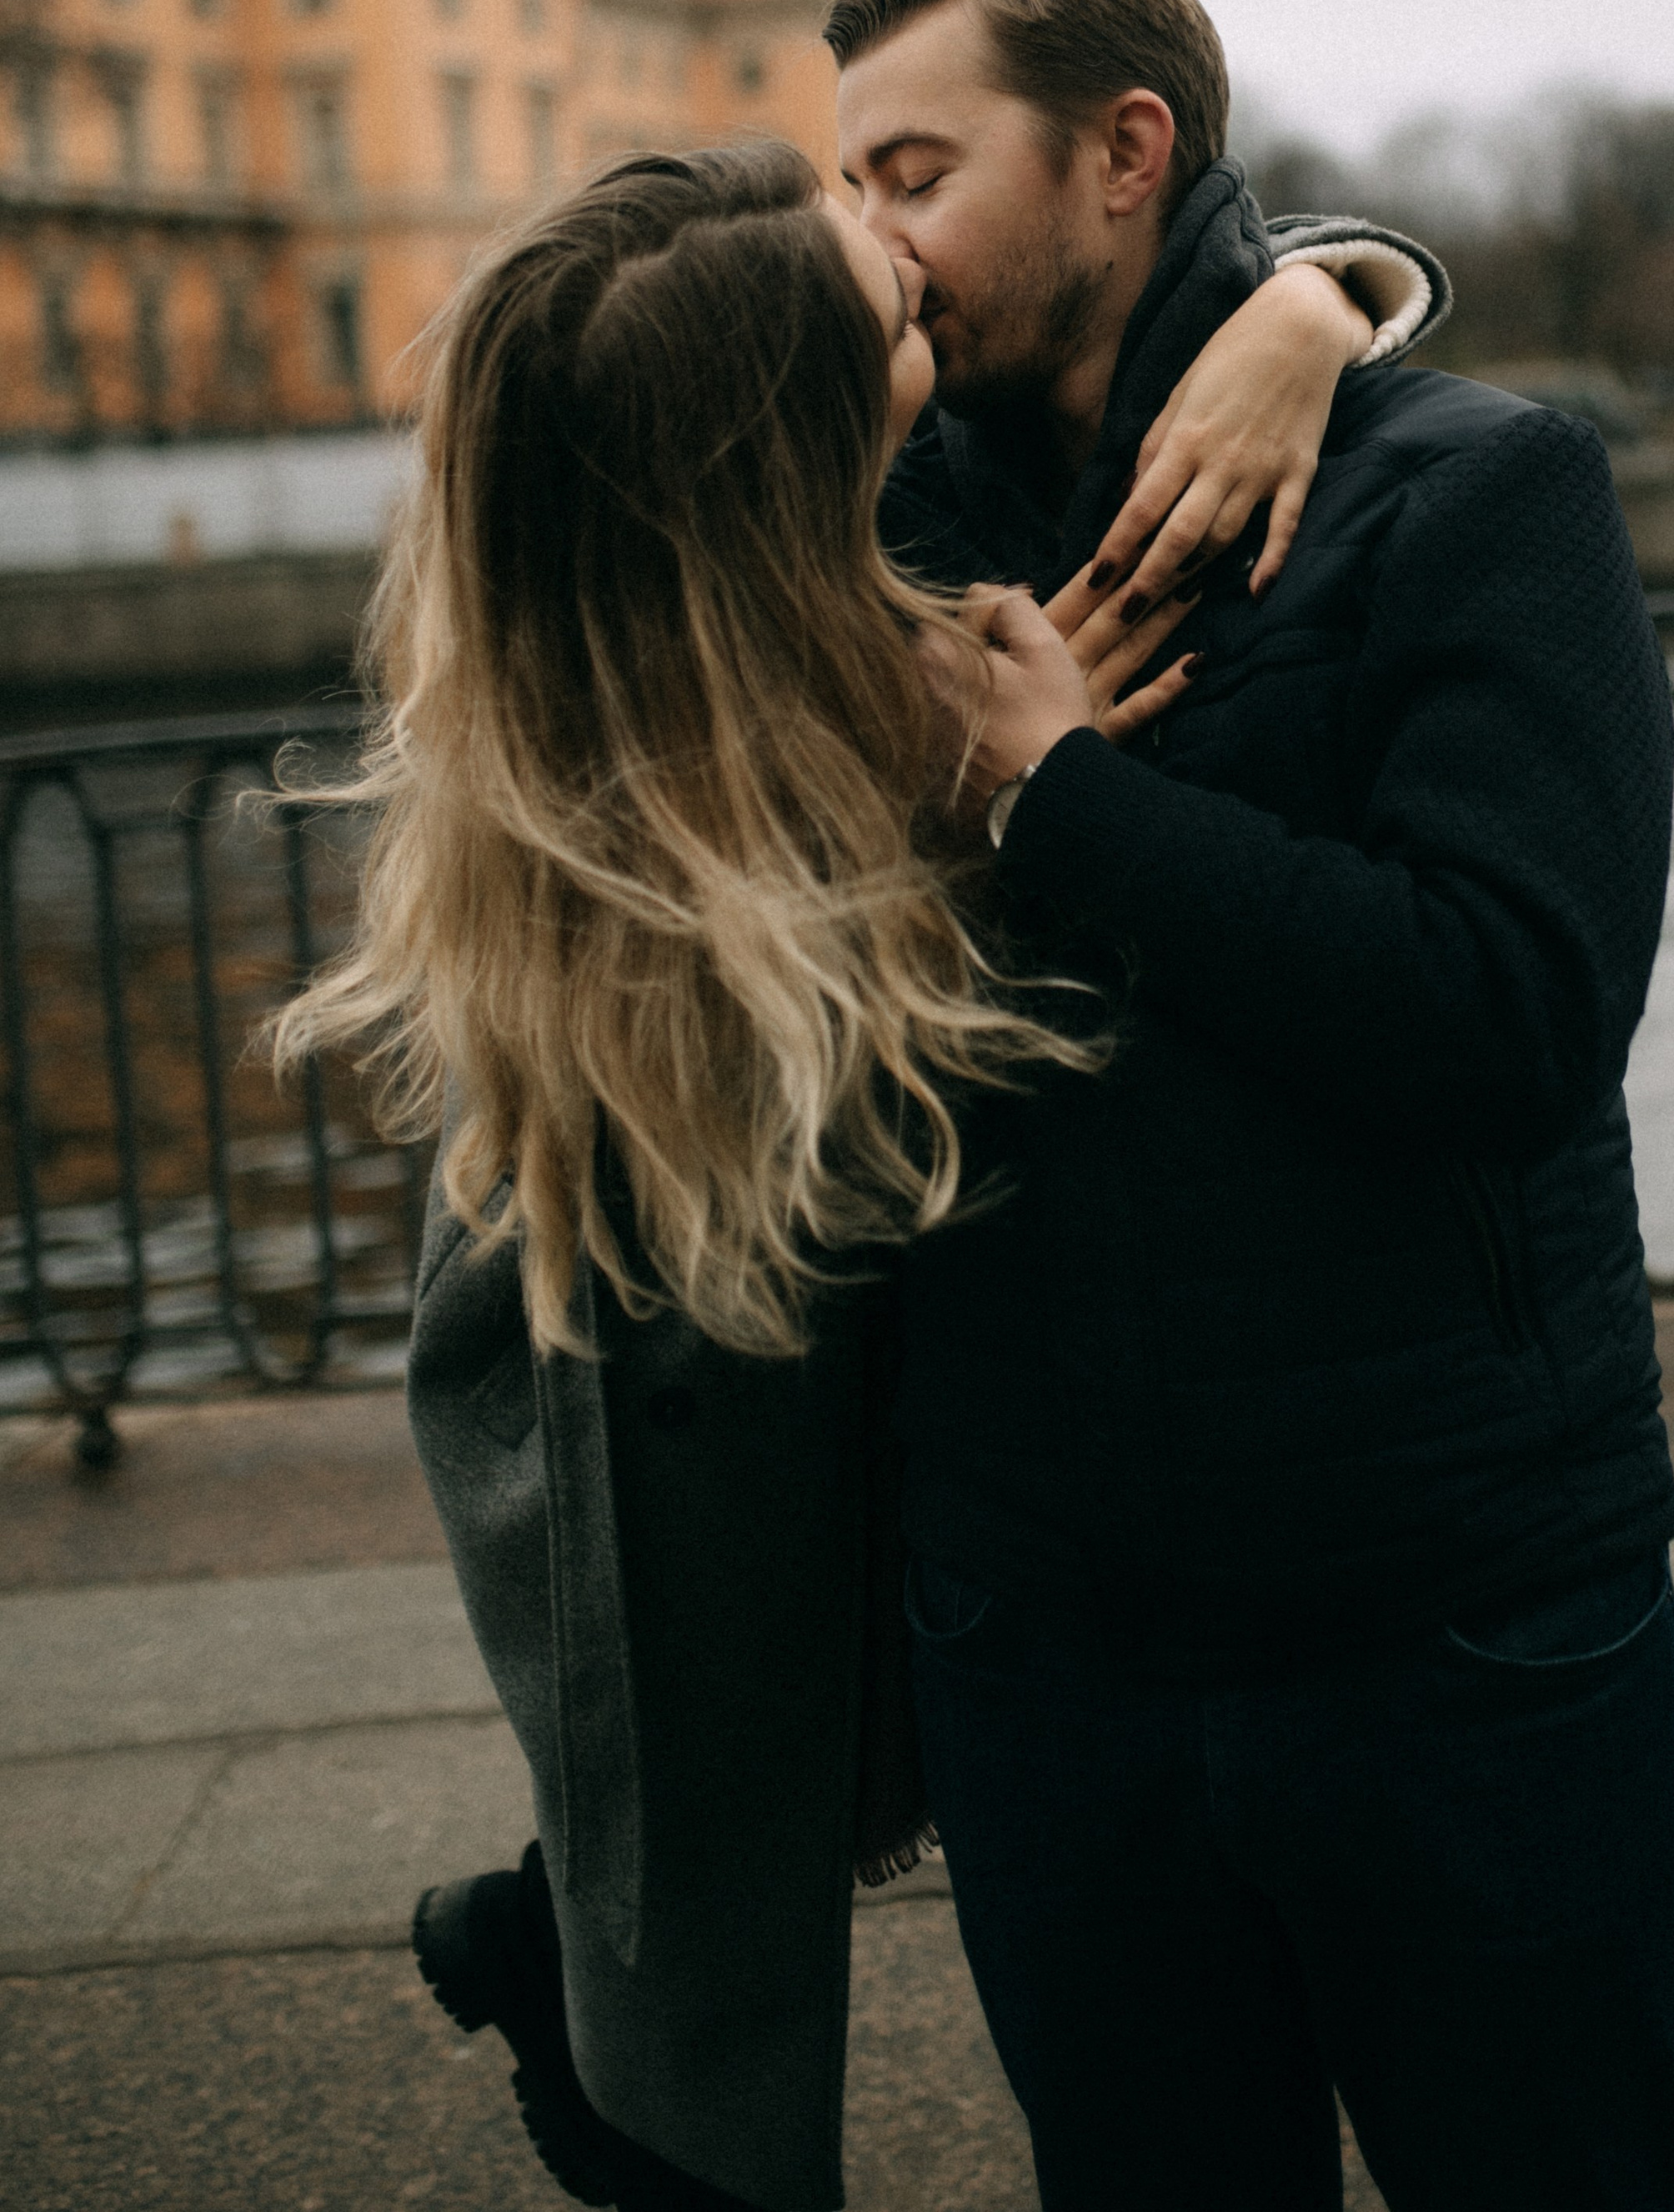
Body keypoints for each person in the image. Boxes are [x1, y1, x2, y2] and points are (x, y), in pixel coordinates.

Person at [273, 128, 1434, 2212]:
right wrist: (990, 809)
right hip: (631, 1402)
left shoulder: (651, 525)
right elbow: (815, 1072)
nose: (920, 265)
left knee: (747, 1819)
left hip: (763, 1356)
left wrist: (1311, 301)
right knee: (696, 1928)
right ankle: (604, 2035)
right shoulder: (644, 788)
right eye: (882, 289)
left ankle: (593, 1975)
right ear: (797, 434)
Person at [830, 0, 1674, 2212]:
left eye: (917, 170)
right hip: (1050, 1667)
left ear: (1126, 155)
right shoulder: (865, 558)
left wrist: (1063, 802)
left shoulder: (1487, 492)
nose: (875, 240)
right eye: (850, 186)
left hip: (1459, 1636)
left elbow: (1506, 1019)